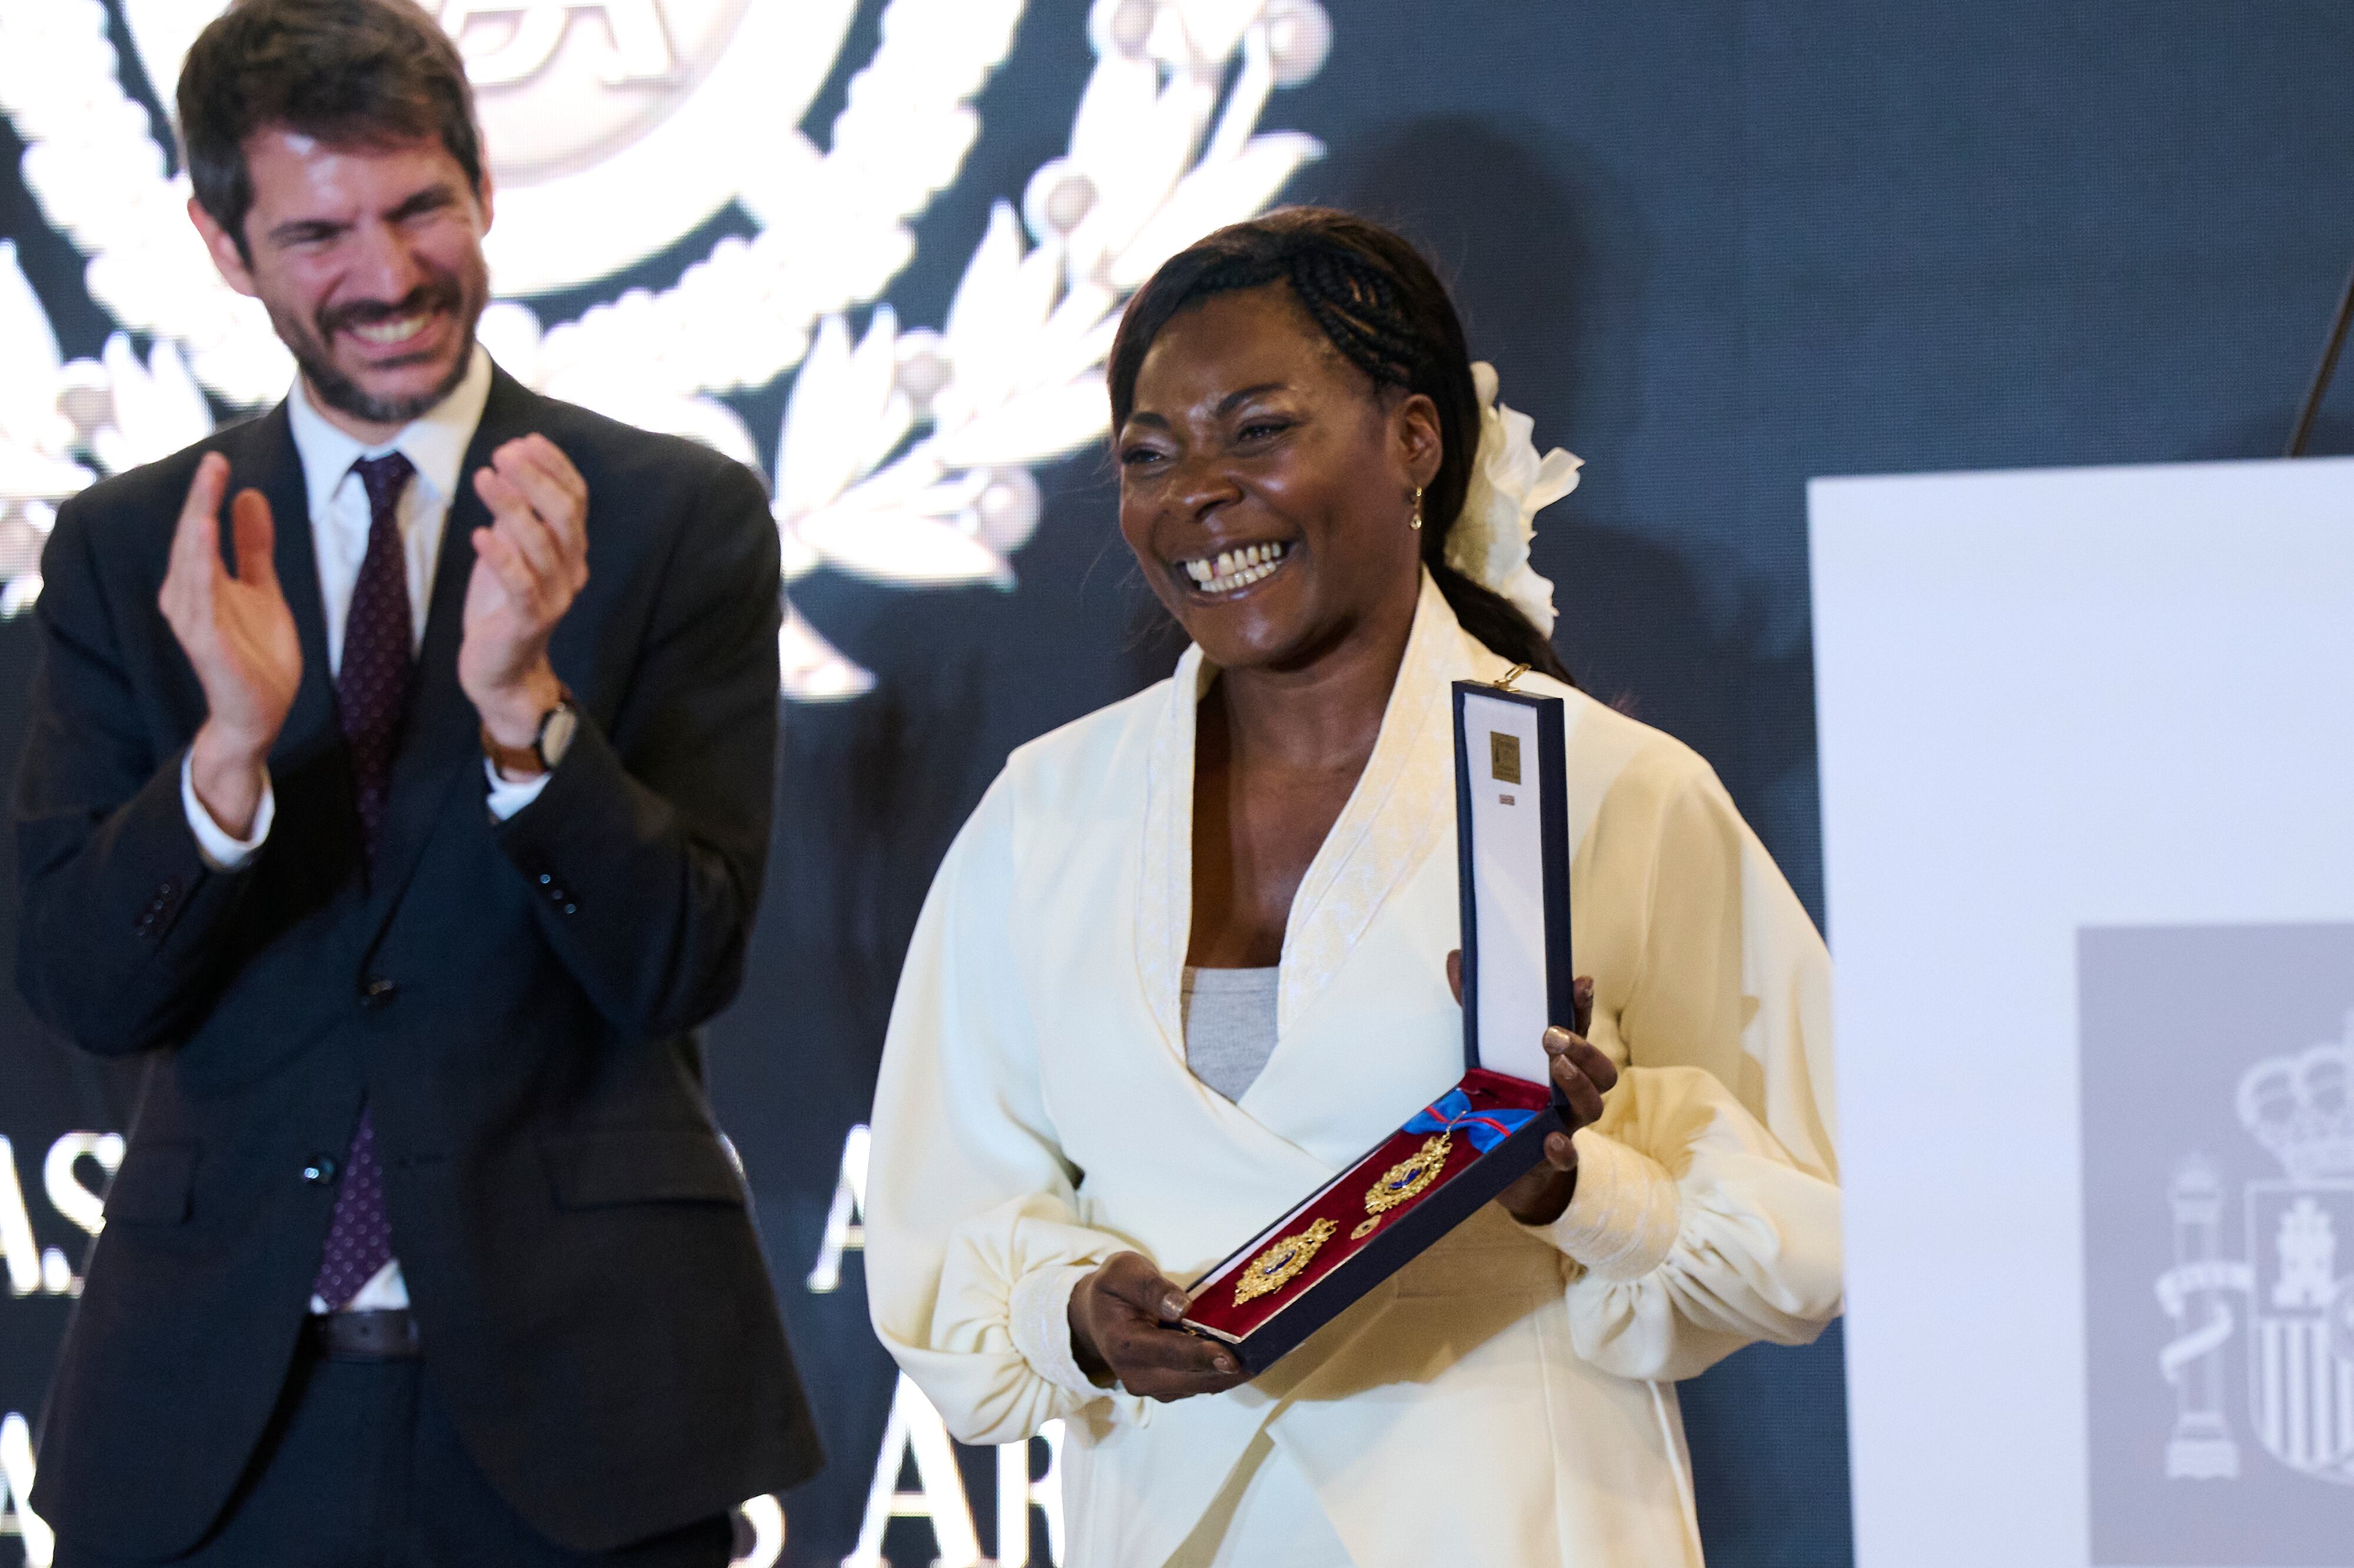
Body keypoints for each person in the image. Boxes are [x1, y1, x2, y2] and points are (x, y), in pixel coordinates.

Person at [864, 208, 1843, 1566]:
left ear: (1414, 442)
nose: (1195, 489)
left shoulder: (1609, 790)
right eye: (1151, 455)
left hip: (1510, 1526)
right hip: (1169, 1530)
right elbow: (941, 1223)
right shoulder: (1045, 812)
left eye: (1258, 428)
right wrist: (1076, 1313)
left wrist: (1571, 1189)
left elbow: (1812, 1204)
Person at [14, 2, 819, 1563]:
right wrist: (224, 761)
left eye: (419, 210)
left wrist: (527, 718)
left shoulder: (671, 519)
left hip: (590, 1418)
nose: (385, 278)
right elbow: (82, 985)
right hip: (214, 1430)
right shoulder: (133, 551)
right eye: (318, 232)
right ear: (222, 244)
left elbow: (681, 961)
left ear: (484, 185)